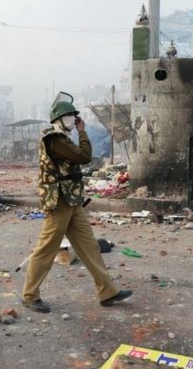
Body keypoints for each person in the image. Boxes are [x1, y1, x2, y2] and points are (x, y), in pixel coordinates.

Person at [22, 96, 132, 313]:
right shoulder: (55, 139)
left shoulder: (62, 136)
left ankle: (107, 291)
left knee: (89, 245)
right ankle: (29, 295)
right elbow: (84, 156)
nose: (74, 120)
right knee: (46, 248)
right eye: (70, 116)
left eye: (75, 117)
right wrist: (82, 132)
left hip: (72, 199)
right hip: (60, 201)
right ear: (60, 119)